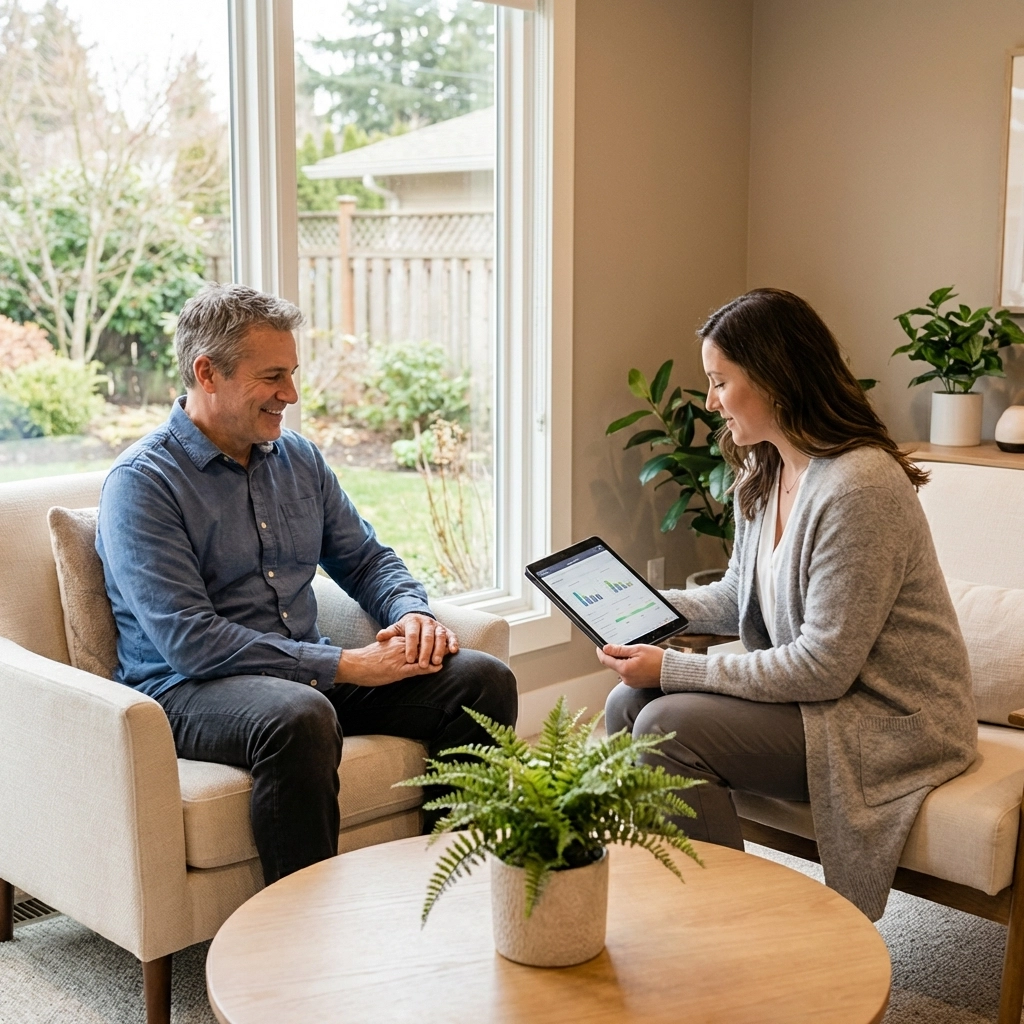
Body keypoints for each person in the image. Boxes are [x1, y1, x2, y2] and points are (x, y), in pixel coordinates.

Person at [96, 283, 518, 886]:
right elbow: (190, 640)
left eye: (292, 374)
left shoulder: (298, 459)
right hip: (188, 688)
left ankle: (456, 884)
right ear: (207, 372)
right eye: (273, 377)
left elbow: (369, 560)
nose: (290, 396)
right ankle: (303, 942)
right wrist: (346, 664)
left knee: (482, 680)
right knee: (300, 714)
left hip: (303, 674)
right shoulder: (143, 484)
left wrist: (414, 613)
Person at [599, 288, 976, 922]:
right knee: (623, 702)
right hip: (823, 697)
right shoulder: (767, 469)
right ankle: (674, 910)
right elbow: (737, 597)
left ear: (774, 377)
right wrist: (640, 607)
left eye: (721, 382)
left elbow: (823, 665)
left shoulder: (861, 485)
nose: (712, 401)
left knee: (668, 725)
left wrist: (671, 669)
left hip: (888, 718)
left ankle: (730, 930)